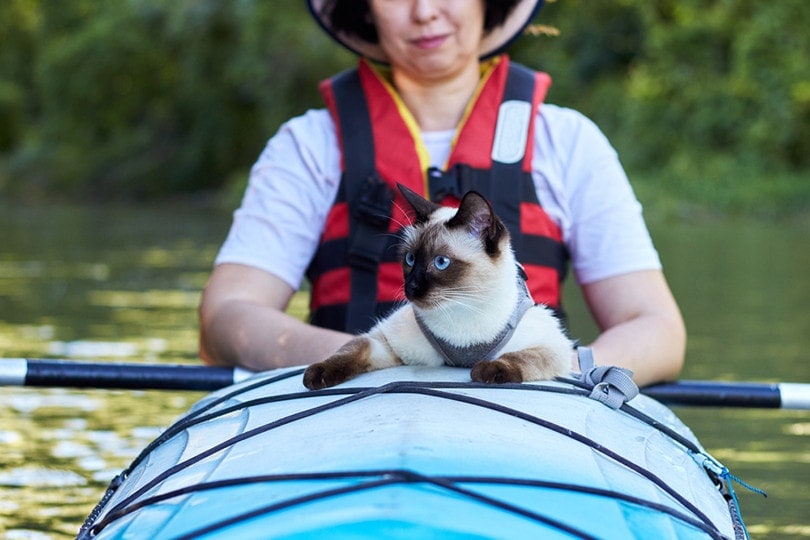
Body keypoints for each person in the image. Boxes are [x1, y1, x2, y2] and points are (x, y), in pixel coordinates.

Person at [198, 0, 686, 386]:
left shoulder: (569, 141)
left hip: (527, 412)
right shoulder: (307, 146)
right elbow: (225, 320)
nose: (425, 10)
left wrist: (546, 365)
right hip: (350, 417)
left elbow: (659, 331)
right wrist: (377, 356)